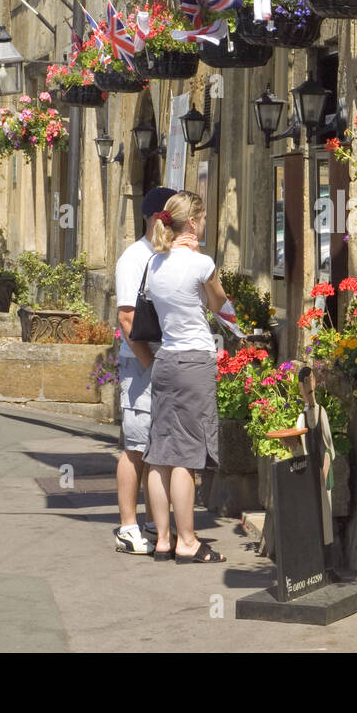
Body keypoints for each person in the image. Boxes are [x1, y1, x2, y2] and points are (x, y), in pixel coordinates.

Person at [142, 190, 229, 563]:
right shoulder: (201, 264)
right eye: (204, 219)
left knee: (160, 451)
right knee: (186, 455)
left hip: (165, 361)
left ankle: (162, 539)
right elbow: (220, 304)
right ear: (192, 222)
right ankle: (188, 541)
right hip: (195, 360)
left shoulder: (153, 265)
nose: (206, 225)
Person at [111, 186, 177, 556]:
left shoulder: (164, 256)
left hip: (160, 360)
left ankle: (152, 521)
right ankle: (128, 525)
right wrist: (151, 364)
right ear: (158, 219)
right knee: (136, 447)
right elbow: (125, 317)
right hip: (140, 362)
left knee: (158, 445)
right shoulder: (135, 258)